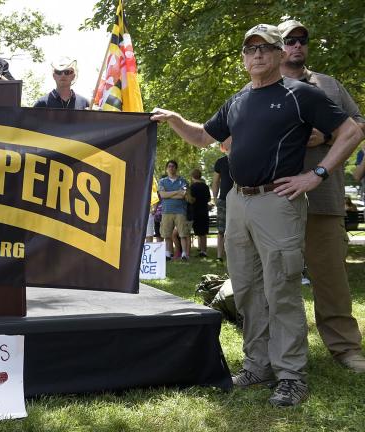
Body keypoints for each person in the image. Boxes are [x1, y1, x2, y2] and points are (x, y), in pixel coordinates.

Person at [150, 24, 363, 407]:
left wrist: (317, 174)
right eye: (250, 49)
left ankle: (291, 375)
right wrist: (176, 119)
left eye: (266, 47)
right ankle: (257, 365)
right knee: (247, 289)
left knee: (281, 289)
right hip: (239, 202)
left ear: (281, 54)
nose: (258, 54)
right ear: (244, 58)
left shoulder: (301, 94)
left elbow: (351, 131)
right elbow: (204, 136)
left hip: (277, 202)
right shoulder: (237, 100)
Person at [279, 19, 365, 373]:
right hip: (275, 199)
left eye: (302, 40)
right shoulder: (260, 85)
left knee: (330, 277)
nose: (297, 46)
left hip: (323, 195)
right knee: (276, 279)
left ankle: (345, 348)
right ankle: (280, 350)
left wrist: (326, 137)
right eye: (289, 40)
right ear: (274, 46)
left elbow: (358, 125)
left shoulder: (329, 85)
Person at [158, 160, 190, 261]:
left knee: (183, 234)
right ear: (166, 169)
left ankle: (184, 254)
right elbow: (162, 195)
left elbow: (183, 195)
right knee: (167, 234)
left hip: (180, 211)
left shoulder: (183, 181)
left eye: (173, 166)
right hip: (166, 211)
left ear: (176, 168)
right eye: (169, 166)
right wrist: (177, 192)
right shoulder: (162, 181)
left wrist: (169, 194)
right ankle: (167, 254)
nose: (171, 168)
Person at [211, 151, 233, 261]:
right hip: (224, 200)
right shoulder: (220, 162)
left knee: (239, 230)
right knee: (221, 230)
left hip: (241, 199)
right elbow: (215, 181)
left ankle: (234, 255)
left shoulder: (244, 157)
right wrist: (215, 198)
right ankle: (219, 256)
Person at [189, 168, 211, 257]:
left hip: (195, 211)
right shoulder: (205, 186)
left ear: (192, 177)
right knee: (203, 232)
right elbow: (209, 199)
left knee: (199, 231)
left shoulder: (192, 187)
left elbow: (191, 200)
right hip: (204, 210)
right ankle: (203, 250)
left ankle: (201, 250)